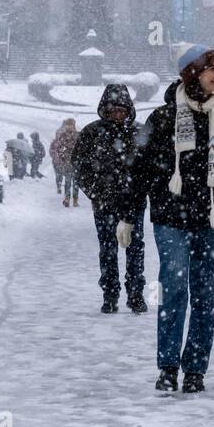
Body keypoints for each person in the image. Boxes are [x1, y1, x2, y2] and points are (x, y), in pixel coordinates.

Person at [117, 44, 214, 394]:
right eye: (212, 69)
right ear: (192, 73)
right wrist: (128, 216)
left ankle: (195, 369)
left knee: (205, 296)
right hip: (171, 218)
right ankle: (167, 366)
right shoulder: (163, 119)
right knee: (174, 289)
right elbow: (140, 169)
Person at [73, 86, 147, 313]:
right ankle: (110, 294)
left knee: (134, 248)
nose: (118, 114)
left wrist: (140, 190)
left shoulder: (140, 132)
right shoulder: (91, 133)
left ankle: (135, 294)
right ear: (105, 109)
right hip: (104, 202)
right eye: (113, 110)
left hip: (133, 202)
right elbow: (80, 166)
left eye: (122, 110)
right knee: (108, 249)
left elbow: (150, 167)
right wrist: (95, 191)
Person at [51, 118, 79, 207]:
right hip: (67, 162)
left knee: (75, 183)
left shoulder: (78, 135)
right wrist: (61, 156)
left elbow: (83, 147)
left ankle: (75, 199)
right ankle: (67, 198)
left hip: (76, 162)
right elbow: (58, 148)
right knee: (68, 181)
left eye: (71, 124)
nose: (70, 126)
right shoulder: (63, 136)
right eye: (68, 124)